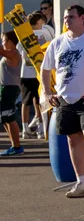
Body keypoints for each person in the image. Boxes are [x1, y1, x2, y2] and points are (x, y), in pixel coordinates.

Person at [40, 5, 84, 199]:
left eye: (71, 17)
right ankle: (82, 182)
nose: (67, 20)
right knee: (73, 139)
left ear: (82, 18)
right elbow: (45, 69)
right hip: (65, 99)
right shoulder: (57, 42)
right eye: (65, 17)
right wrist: (47, 91)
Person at [19, 10, 52, 140]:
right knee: (36, 101)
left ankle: (28, 128)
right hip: (36, 72)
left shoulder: (25, 34)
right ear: (38, 22)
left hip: (30, 73)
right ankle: (37, 128)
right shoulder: (43, 32)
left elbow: (19, 49)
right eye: (42, 22)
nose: (43, 24)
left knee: (29, 102)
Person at [1, 32, 24, 156]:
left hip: (10, 89)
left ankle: (17, 146)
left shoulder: (14, 53)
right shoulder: (9, 54)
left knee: (9, 117)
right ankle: (13, 145)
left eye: (3, 40)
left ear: (10, 42)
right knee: (4, 118)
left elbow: (1, 51)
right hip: (5, 88)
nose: (2, 43)